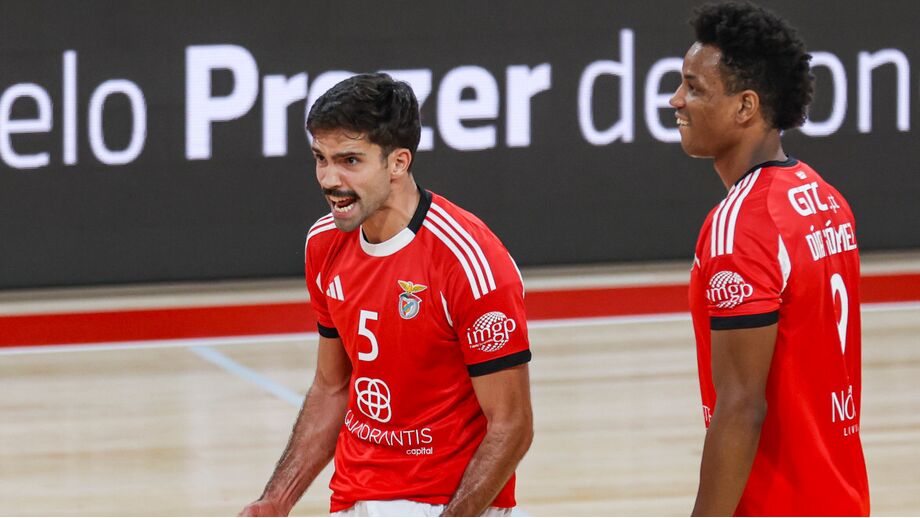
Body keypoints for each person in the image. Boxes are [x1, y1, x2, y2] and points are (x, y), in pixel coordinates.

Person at [239, 73, 533, 517]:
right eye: (321, 158)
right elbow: (332, 386)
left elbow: (512, 426)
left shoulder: (469, 260)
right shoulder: (323, 244)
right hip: (354, 498)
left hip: (446, 503)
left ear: (398, 163)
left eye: (350, 161)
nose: (328, 178)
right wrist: (276, 498)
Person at [670, 2, 870, 515]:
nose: (676, 101)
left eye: (694, 87)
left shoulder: (740, 226)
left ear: (746, 107)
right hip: (843, 496)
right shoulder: (825, 197)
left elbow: (740, 408)